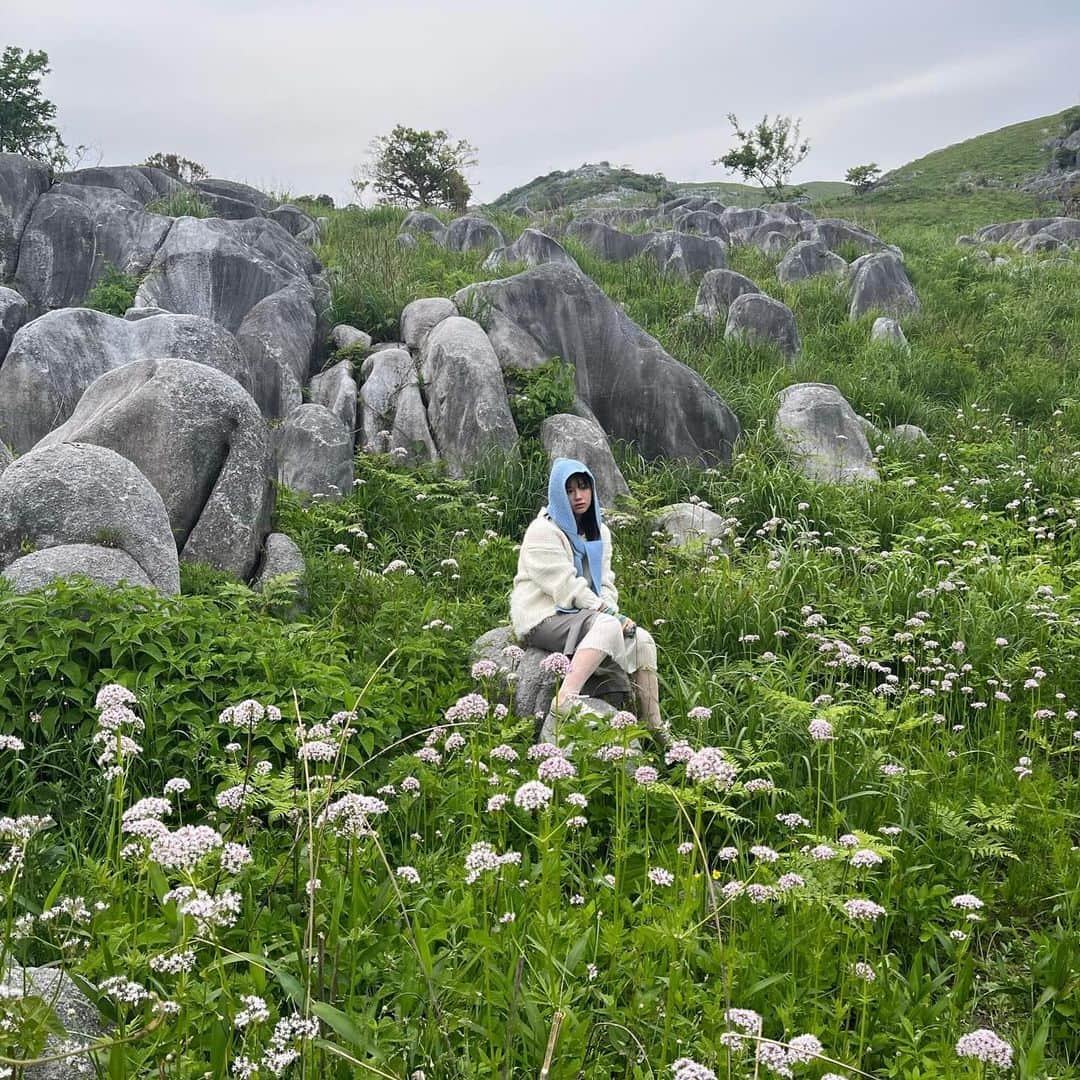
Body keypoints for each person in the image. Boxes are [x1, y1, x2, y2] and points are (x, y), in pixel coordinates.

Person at [509, 457, 663, 735]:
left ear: (592, 489)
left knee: (642, 640)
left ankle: (654, 725)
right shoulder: (543, 531)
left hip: (586, 614)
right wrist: (611, 616)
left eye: (583, 487)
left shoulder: (599, 531)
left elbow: (605, 584)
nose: (578, 496)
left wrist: (611, 610)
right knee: (607, 625)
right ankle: (565, 698)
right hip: (546, 616)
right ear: (558, 493)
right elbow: (567, 588)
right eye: (569, 490)